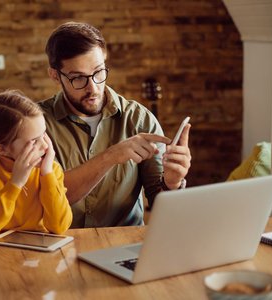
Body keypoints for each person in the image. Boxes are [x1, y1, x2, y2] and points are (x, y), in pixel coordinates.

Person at [39, 22, 192, 228]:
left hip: (123, 246)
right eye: (78, 78)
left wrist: (172, 183)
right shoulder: (37, 125)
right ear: (55, 76)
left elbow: (161, 205)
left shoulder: (140, 119)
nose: (93, 87)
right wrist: (110, 156)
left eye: (99, 72)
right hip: (61, 246)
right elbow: (46, 198)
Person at [0, 90, 72, 237]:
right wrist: (16, 182)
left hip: (37, 252)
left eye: (44, 135)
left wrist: (47, 174)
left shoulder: (51, 169)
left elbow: (59, 226)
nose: (45, 146)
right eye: (34, 141)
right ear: (1, 149)